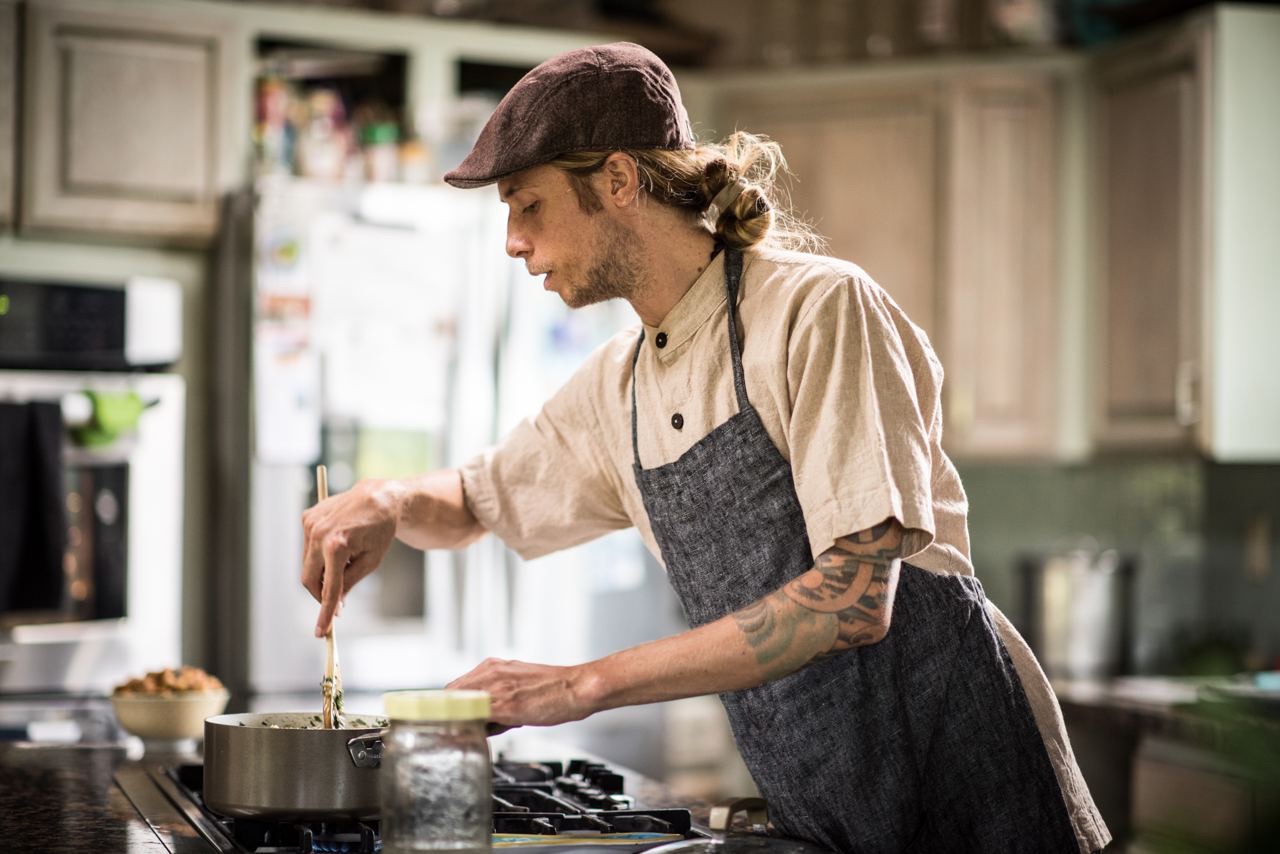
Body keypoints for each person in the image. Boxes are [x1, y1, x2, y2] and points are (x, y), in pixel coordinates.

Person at [299, 42, 1110, 853]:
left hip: (977, 798)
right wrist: (387, 501)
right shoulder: (618, 386)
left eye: (529, 205)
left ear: (619, 181)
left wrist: (580, 685)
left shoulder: (818, 309)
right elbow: (480, 501)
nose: (513, 242)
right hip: (829, 820)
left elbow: (856, 599)